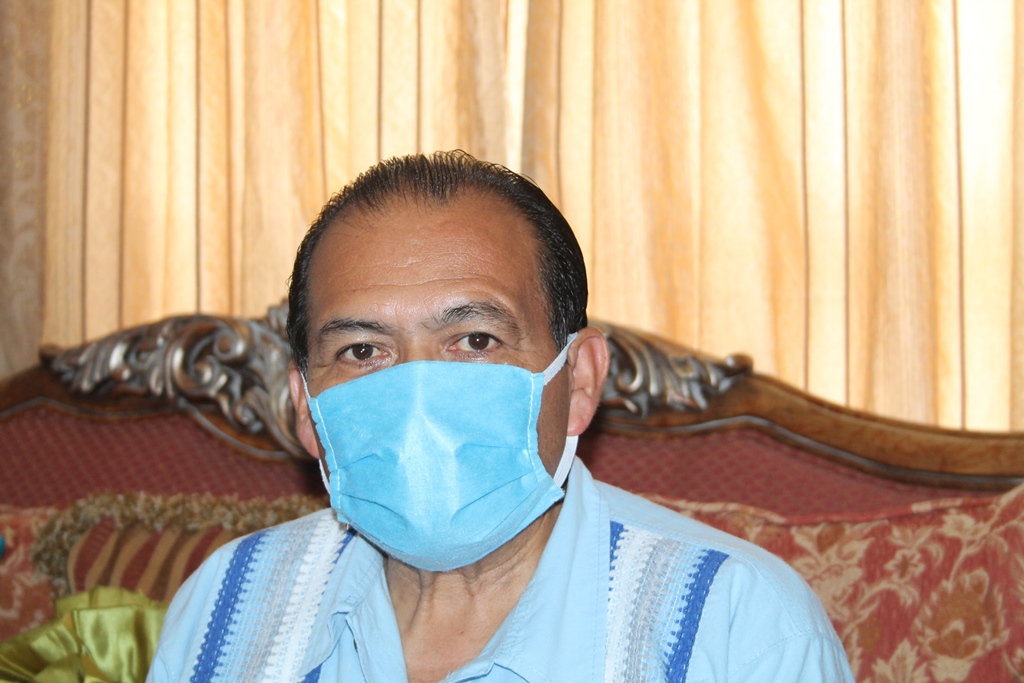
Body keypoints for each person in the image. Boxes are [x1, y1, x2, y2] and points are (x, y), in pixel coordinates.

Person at [147, 151, 855, 683]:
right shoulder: (223, 611)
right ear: (306, 406)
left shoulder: (735, 628)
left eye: (475, 341)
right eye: (363, 350)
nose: (417, 395)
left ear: (580, 379)